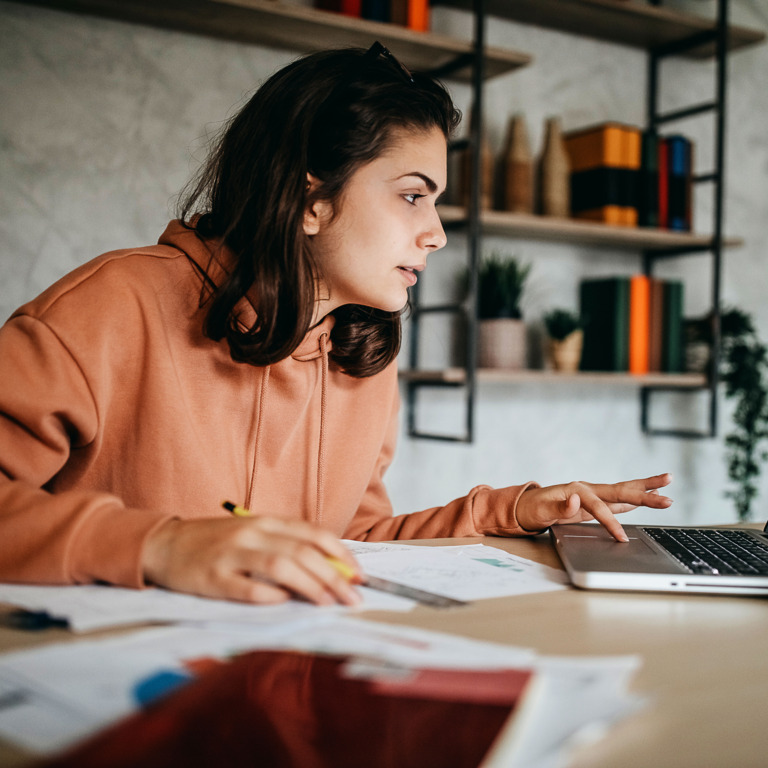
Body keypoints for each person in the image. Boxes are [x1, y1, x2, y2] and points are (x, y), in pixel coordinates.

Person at [0, 43, 672, 608]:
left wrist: (512, 512)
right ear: (308, 197)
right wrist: (160, 544)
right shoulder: (113, 305)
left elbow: (353, 540)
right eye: (413, 196)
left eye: (436, 204)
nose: (436, 234)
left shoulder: (361, 351)